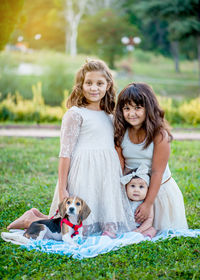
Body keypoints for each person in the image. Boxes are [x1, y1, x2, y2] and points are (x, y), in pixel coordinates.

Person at [7, 59, 135, 237]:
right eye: (88, 83)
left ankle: (36, 215)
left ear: (108, 85)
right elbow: (65, 153)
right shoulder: (76, 114)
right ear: (81, 85)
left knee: (108, 228)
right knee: (77, 230)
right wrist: (62, 188)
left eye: (99, 83)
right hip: (84, 172)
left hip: (106, 173)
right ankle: (31, 220)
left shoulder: (110, 114)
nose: (94, 88)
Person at [114, 82, 188, 231]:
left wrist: (147, 204)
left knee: (159, 230)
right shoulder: (121, 133)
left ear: (149, 108)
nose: (131, 113)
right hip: (132, 189)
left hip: (158, 191)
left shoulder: (159, 135)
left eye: (137, 107)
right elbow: (120, 167)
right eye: (126, 108)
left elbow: (157, 172)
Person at [120, 163, 157, 238]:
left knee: (152, 229)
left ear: (148, 189)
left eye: (141, 187)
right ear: (126, 187)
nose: (136, 190)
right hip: (125, 227)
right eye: (132, 186)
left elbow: (149, 220)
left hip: (141, 228)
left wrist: (139, 230)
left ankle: (145, 236)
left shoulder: (147, 204)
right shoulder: (124, 201)